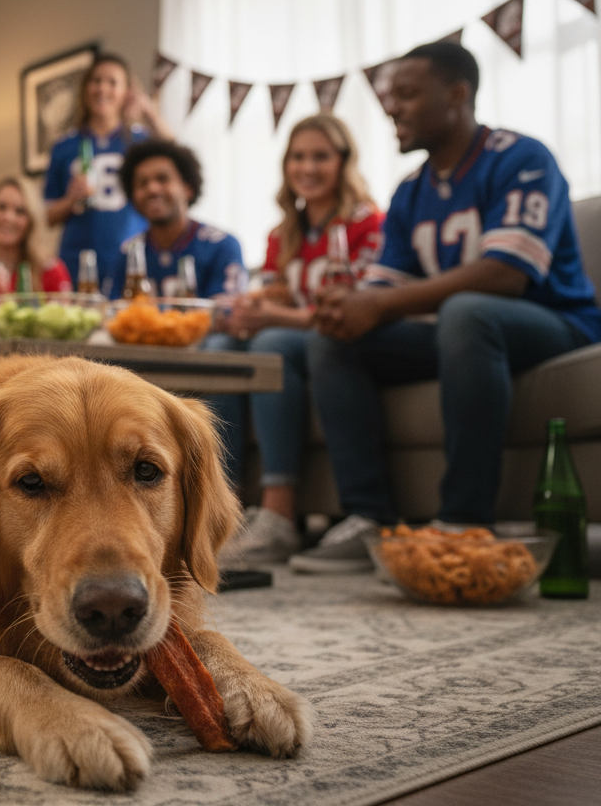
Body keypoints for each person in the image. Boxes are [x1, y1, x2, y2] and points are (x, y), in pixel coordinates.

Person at [289, 41, 601, 573]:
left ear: (457, 95)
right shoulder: (411, 191)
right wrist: (351, 304)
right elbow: (384, 286)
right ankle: (369, 516)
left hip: (553, 322)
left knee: (467, 311)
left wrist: (381, 302)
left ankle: (464, 521)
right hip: (458, 337)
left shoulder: (521, 157)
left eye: (407, 95)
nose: (392, 107)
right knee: (333, 338)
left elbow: (506, 274)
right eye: (390, 97)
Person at [212, 114, 383, 568]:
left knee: (272, 342)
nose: (307, 167)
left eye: (320, 156)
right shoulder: (283, 232)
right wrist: (246, 310)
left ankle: (279, 514)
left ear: (344, 162)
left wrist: (273, 317)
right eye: (298, 157)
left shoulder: (368, 223)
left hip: (337, 341)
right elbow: (274, 292)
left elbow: (359, 308)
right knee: (218, 353)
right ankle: (218, 511)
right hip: (288, 335)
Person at [118, 140, 247, 486]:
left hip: (202, 357)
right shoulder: (127, 253)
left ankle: (223, 492)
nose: (152, 189)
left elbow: (228, 313)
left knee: (220, 358)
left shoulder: (222, 244)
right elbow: (112, 314)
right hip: (138, 362)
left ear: (187, 187)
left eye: (163, 178)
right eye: (142, 183)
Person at [44, 53, 173, 295]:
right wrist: (71, 199)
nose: (102, 88)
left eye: (113, 82)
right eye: (96, 80)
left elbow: (176, 156)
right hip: (77, 257)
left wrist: (147, 110)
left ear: (127, 91)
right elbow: (48, 216)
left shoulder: (140, 140)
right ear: (85, 89)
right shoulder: (64, 146)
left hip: (131, 256)